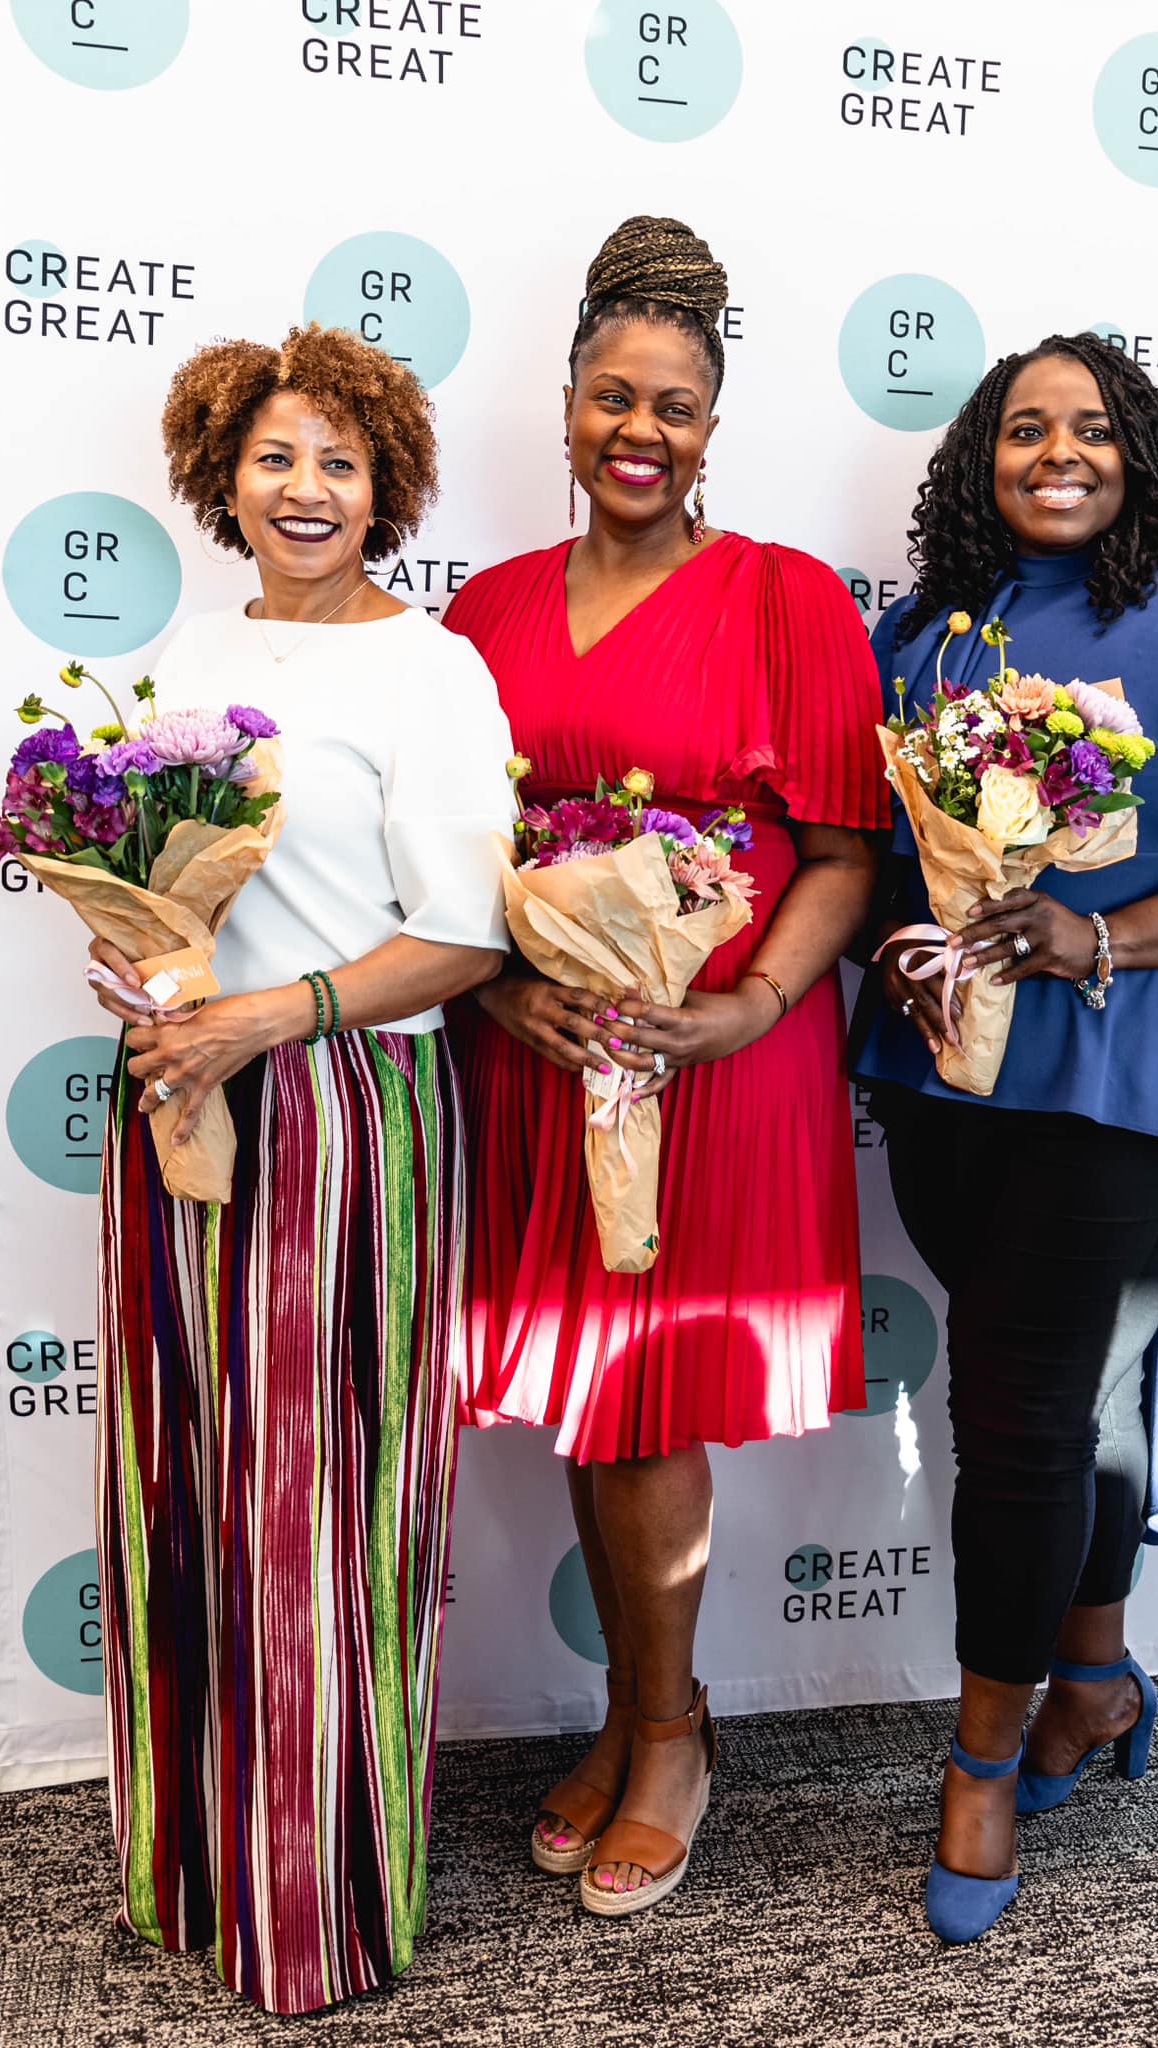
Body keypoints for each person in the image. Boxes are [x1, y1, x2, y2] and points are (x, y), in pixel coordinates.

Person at [853, 333, 1158, 1942]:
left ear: (1140, 452)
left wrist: (1097, 937)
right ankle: (1091, 1679)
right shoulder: (923, 629)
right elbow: (882, 858)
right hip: (945, 1080)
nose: (1058, 452)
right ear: (977, 460)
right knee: (1068, 1403)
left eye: (1093, 427)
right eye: (1022, 430)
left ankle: (981, 1766)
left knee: (1019, 1419)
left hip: (1130, 1075)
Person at [443, 216, 887, 1917]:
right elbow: (447, 866)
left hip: (718, 1054)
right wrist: (497, 1003)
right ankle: (647, 1720)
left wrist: (748, 1005)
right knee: (589, 1398)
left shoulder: (783, 600)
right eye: (611, 397)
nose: (640, 430)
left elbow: (845, 853)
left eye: (676, 405)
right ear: (563, 409)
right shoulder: (482, 611)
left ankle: (668, 1733)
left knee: (644, 1409)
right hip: (549, 1050)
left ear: (714, 425)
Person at [87, 325, 514, 2014]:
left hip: (346, 1116)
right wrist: (142, 977)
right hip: (183, 1099)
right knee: (183, 1489)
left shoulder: (432, 670)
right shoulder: (186, 648)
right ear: (224, 475)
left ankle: (316, 1904)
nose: (306, 488)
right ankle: (192, 1870)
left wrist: (261, 1017)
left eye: (339, 461)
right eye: (275, 457)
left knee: (326, 1513)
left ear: (386, 487)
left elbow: (466, 936)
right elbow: (141, 878)